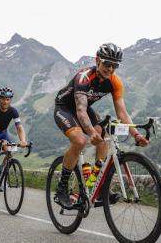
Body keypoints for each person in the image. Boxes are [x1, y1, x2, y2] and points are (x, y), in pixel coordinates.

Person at [52, 43, 149, 208]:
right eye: (107, 63)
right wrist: (90, 131)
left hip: (85, 109)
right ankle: (62, 188)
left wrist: (136, 134)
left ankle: (99, 185)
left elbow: (122, 113)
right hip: (66, 108)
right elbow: (80, 110)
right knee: (80, 140)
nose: (110, 68)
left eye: (115, 65)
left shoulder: (115, 82)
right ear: (98, 60)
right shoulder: (84, 77)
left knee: (105, 139)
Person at [0, 87, 28, 195]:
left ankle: (1, 177)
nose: (5, 101)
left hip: (3, 134)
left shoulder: (13, 111)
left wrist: (23, 140)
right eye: (3, 99)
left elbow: (19, 127)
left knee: (11, 152)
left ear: (10, 100)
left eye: (8, 99)